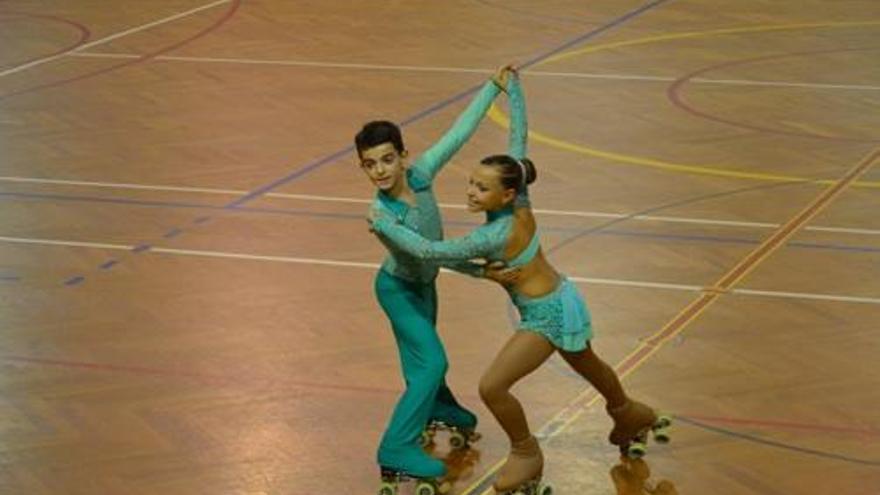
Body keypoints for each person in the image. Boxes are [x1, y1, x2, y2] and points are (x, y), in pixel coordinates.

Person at [369, 70, 667, 494]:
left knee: (492, 386)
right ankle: (627, 412)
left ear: (505, 194)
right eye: (472, 183)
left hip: (545, 316)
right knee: (589, 365)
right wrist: (514, 92)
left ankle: (527, 452)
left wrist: (384, 226)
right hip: (568, 299)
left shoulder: (493, 234)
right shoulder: (518, 200)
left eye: (481, 189)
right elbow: (517, 146)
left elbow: (432, 252)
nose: (470, 193)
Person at [355, 65, 516, 490]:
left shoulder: (422, 173)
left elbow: (458, 133)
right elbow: (426, 251)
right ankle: (396, 446)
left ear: (403, 156)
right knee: (433, 360)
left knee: (422, 362)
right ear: (363, 169)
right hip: (397, 290)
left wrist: (491, 89)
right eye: (370, 165)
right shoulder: (382, 216)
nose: (381, 170)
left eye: (388, 159)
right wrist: (482, 270)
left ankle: (438, 407)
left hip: (425, 286)